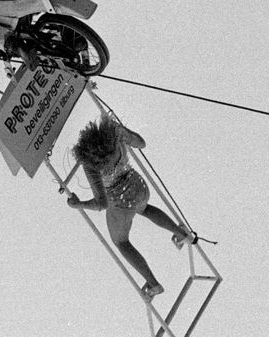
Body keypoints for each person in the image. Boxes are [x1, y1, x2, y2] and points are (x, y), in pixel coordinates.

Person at [63, 115, 193, 298]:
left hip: (120, 200)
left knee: (121, 242)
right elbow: (141, 143)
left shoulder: (89, 162)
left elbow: (102, 203)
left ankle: (153, 284)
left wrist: (80, 204)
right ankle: (182, 234)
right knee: (144, 208)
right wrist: (122, 132)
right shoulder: (114, 134)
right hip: (138, 185)